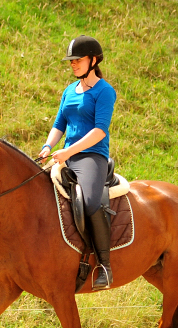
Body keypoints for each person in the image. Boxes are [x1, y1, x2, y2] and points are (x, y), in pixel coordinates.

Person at [39, 35, 117, 291]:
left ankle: (105, 264)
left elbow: (99, 131)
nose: (73, 65)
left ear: (93, 61)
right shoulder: (69, 92)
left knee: (92, 202)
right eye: (71, 61)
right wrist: (48, 146)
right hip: (65, 155)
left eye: (78, 60)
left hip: (91, 157)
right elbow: (59, 124)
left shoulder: (105, 91)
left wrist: (68, 150)